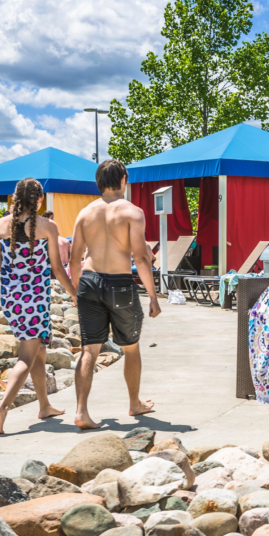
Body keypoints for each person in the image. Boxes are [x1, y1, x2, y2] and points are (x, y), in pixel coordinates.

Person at [69, 160, 160, 429]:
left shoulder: (84, 214)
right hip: (119, 283)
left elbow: (74, 260)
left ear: (98, 182)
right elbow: (142, 258)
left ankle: (81, 412)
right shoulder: (132, 212)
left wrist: (77, 293)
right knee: (130, 348)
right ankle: (134, 403)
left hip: (89, 281)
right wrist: (153, 296)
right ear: (124, 180)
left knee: (89, 350)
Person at [0, 178, 78, 434]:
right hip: (35, 298)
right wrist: (74, 294)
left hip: (11, 298)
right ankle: (2, 407)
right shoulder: (47, 226)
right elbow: (57, 268)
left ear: (14, 198)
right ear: (40, 200)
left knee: (37, 349)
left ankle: (45, 405)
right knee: (26, 357)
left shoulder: (1, 224)